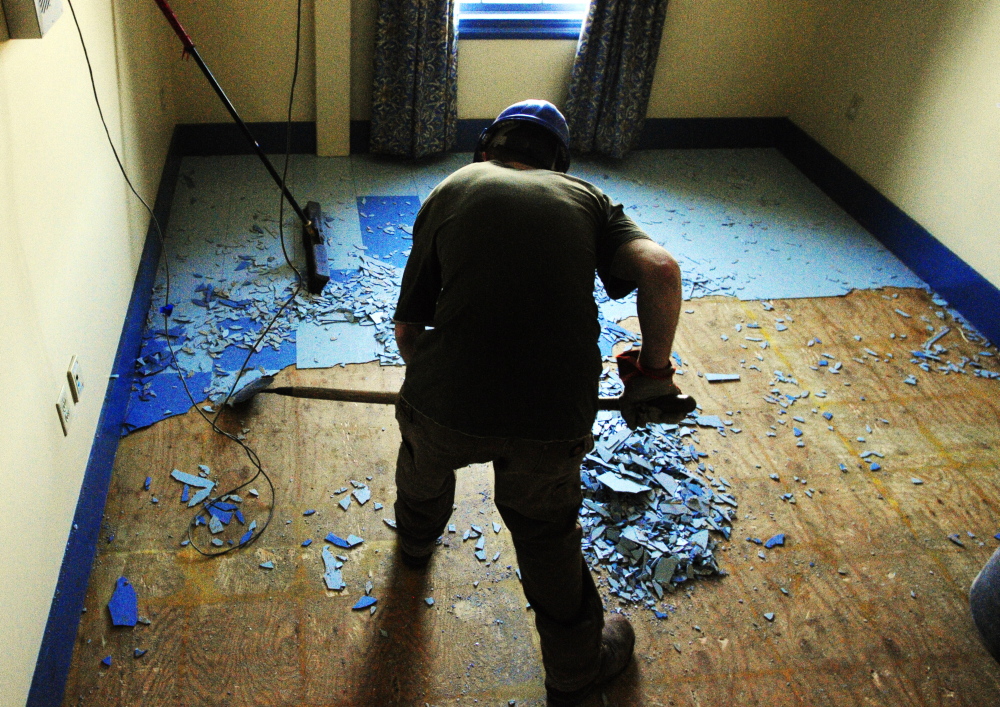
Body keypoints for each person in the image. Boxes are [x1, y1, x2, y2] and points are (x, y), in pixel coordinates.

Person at [391, 99, 685, 706]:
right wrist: (652, 375)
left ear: (486, 149)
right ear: (559, 161)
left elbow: (408, 329)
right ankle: (576, 668)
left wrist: (435, 392)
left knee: (423, 460)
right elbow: (660, 270)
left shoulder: (454, 185)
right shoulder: (587, 198)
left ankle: (417, 543)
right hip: (552, 422)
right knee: (547, 531)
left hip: (442, 406)